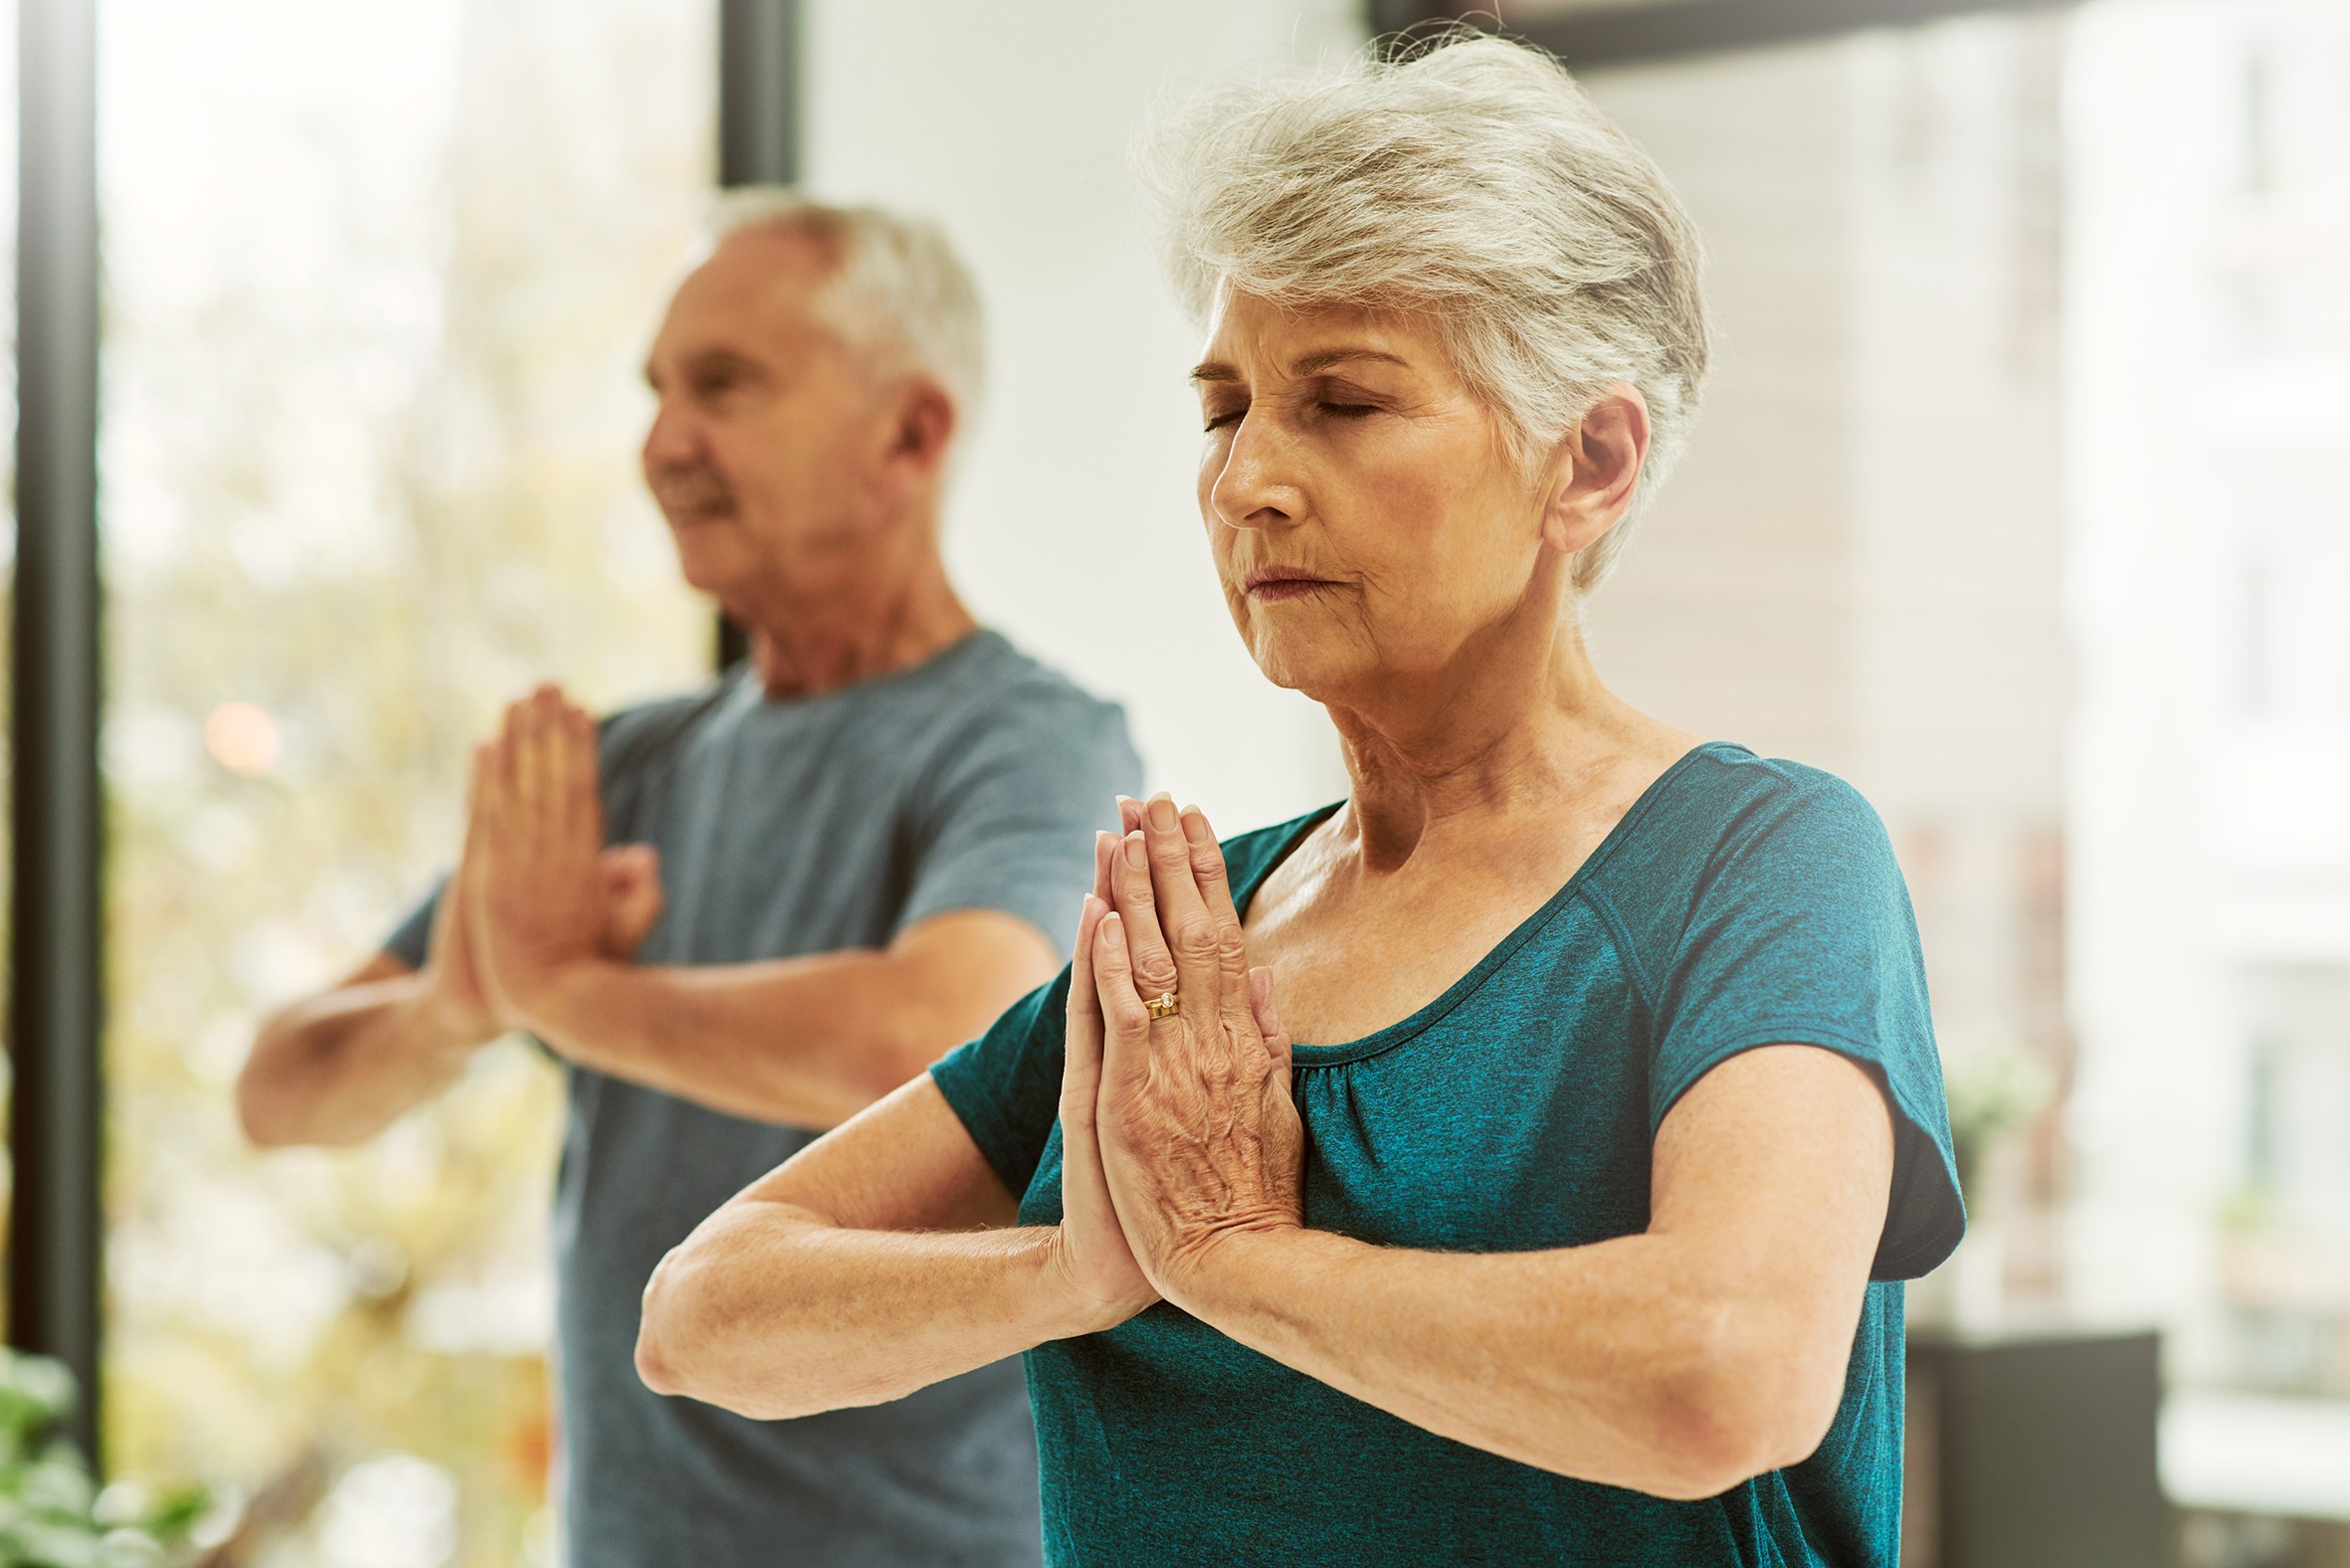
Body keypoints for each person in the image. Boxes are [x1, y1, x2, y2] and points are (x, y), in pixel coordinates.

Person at [634, 35, 1966, 1568]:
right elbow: (704, 1311)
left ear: (1587, 462)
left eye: (1340, 403)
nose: (1247, 479)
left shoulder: (1760, 864)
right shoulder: (1191, 941)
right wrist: (1074, 1275)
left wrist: (1235, 1262)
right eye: (1223, 410)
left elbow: (1719, 1372)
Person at [238, 191, 1141, 1567]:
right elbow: (280, 1094)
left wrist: (569, 992)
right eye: (654, 393)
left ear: (909, 433)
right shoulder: (621, 767)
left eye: (722, 386)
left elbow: (944, 1034)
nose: (663, 444)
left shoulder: (1028, 738)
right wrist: (459, 1005)